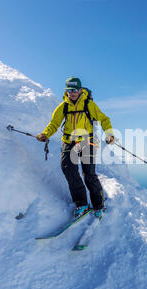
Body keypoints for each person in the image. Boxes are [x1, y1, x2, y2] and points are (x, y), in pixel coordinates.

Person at [36, 77, 114, 220]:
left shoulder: (89, 104)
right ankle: (82, 203)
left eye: (75, 90)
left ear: (80, 90)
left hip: (86, 141)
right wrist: (45, 134)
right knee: (68, 169)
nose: (72, 93)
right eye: (69, 90)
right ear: (66, 91)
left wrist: (109, 134)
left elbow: (104, 119)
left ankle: (99, 205)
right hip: (69, 141)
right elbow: (54, 123)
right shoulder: (63, 106)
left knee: (88, 173)